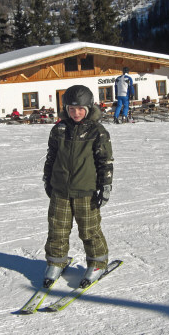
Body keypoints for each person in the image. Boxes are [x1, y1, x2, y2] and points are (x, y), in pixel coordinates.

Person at [42, 85, 114, 288]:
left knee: (89, 230)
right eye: (72, 109)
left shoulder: (97, 132)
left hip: (86, 190)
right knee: (57, 229)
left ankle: (97, 263)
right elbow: (51, 157)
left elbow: (105, 161)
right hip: (60, 190)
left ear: (89, 108)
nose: (76, 113)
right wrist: (47, 179)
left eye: (81, 109)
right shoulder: (59, 129)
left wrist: (105, 186)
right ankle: (56, 262)